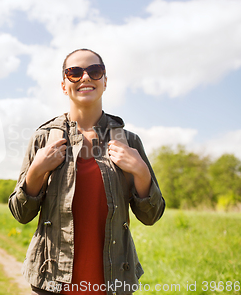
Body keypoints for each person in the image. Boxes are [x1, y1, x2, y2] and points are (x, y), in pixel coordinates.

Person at [8, 49, 165, 295]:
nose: (85, 78)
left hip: (114, 284)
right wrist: (36, 171)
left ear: (104, 81)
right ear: (63, 84)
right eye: (74, 72)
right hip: (52, 284)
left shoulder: (129, 142)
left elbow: (151, 216)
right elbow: (21, 213)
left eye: (94, 71)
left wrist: (142, 173)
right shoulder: (43, 140)